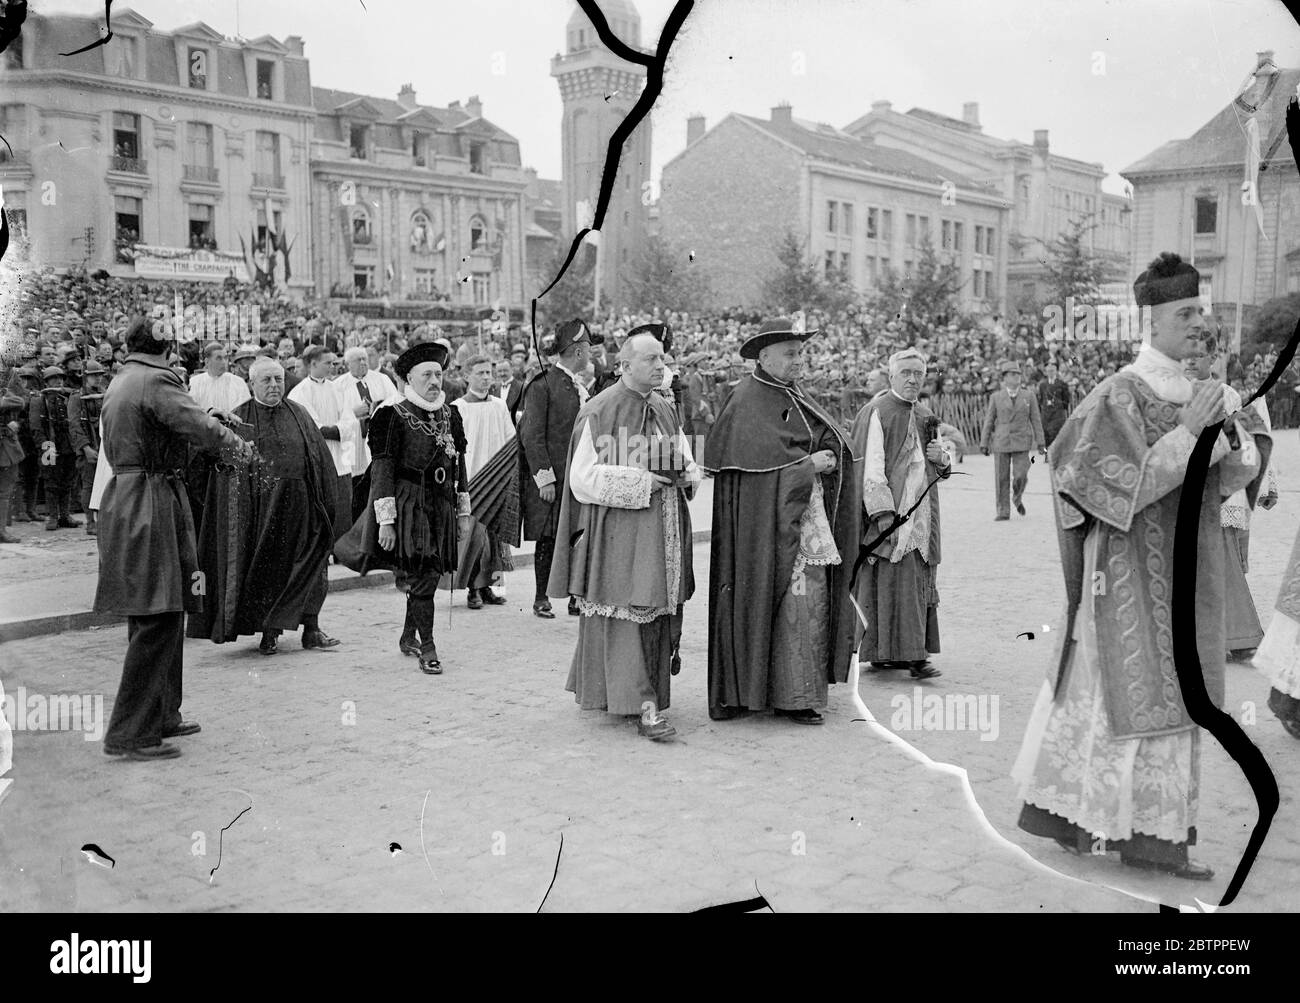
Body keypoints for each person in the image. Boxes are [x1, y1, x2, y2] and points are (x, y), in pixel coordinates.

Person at [1011, 252, 1260, 880]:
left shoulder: (1205, 389)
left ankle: (1156, 835)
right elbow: (1112, 486)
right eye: (1184, 312)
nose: (1197, 322)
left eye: (1201, 310)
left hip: (1190, 567)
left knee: (1182, 696)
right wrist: (1187, 432)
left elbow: (1231, 479)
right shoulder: (1118, 393)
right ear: (1149, 322)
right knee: (1118, 697)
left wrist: (1228, 435)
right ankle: (1090, 822)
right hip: (1124, 574)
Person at [95, 317, 254, 761]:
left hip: (131, 495)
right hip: (152, 498)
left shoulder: (127, 377)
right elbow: (198, 430)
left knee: (155, 610)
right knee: (160, 616)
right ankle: (132, 733)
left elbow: (167, 423)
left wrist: (208, 416)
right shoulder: (157, 378)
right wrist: (236, 445)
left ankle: (162, 714)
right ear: (165, 347)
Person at [702, 315, 862, 723]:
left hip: (801, 518)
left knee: (807, 605)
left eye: (801, 353)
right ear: (766, 356)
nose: (798, 361)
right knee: (792, 605)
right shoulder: (747, 400)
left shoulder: (792, 392)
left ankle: (798, 694)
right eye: (791, 354)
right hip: (764, 532)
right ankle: (778, 693)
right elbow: (756, 476)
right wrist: (808, 467)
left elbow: (816, 438)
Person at [548, 330, 700, 740]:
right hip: (620, 532)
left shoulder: (665, 407)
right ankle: (641, 704)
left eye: (662, 359)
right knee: (628, 613)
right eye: (650, 360)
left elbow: (684, 454)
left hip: (663, 527)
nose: (659, 367)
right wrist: (641, 481)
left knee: (654, 612)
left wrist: (689, 473)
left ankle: (630, 695)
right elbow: (581, 480)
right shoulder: (599, 410)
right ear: (624, 365)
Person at [188, 357, 341, 655]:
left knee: (312, 568)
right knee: (271, 572)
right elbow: (213, 460)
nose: (274, 386)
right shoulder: (238, 418)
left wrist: (326, 503)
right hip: (263, 511)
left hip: (303, 506)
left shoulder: (299, 413)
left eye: (279, 379)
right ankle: (269, 632)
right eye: (267, 380)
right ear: (251, 383)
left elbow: (321, 459)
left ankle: (311, 629)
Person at [344, 342, 473, 675]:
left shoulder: (451, 414)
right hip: (409, 505)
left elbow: (460, 465)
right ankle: (427, 647)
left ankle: (407, 636)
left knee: (426, 574)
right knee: (423, 575)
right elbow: (382, 472)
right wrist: (386, 522)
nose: (434, 381)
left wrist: (463, 509)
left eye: (438, 374)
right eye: (426, 375)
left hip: (441, 506)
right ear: (409, 380)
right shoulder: (391, 415)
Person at [850, 348, 952, 681]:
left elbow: (936, 467)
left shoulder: (925, 414)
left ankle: (908, 652)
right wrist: (883, 515)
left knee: (916, 579)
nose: (912, 379)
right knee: (889, 580)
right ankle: (897, 655)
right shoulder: (877, 411)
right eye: (905, 372)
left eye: (918, 373)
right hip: (891, 510)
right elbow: (872, 467)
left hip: (923, 512)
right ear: (892, 376)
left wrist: (942, 461)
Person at [1184, 330, 1276, 660]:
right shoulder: (1170, 393)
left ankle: (1235, 636)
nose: (1192, 361)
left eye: (1199, 355)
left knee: (1222, 563)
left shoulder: (1229, 396)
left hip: (1216, 491)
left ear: (1213, 359)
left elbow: (1248, 441)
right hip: (1179, 491)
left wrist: (1262, 483)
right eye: (1187, 354)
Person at [518, 319, 589, 618]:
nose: (590, 355)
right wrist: (544, 479)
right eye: (587, 349)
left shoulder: (579, 386)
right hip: (554, 480)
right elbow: (531, 435)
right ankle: (540, 597)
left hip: (577, 478)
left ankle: (575, 596)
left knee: (576, 535)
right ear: (576, 351)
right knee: (548, 538)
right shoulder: (543, 384)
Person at [449, 355, 517, 608]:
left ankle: (488, 586)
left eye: (489, 372)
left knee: (493, 539)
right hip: (472, 480)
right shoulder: (458, 407)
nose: (487, 377)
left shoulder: (499, 406)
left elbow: (510, 440)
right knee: (474, 539)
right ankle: (472, 588)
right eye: (480, 373)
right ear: (467, 376)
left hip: (496, 479)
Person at [288, 345, 358, 542]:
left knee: (343, 505)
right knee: (321, 507)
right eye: (328, 363)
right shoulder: (300, 392)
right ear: (313, 364)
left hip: (340, 457)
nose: (332, 367)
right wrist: (335, 430)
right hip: (317, 459)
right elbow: (311, 429)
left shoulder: (337, 388)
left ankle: (341, 551)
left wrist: (335, 430)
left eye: (334, 363)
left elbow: (350, 421)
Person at [335, 345, 400, 520]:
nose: (363, 363)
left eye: (365, 359)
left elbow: (395, 401)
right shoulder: (339, 384)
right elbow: (336, 413)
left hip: (377, 436)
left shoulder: (381, 379)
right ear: (348, 364)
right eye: (358, 360)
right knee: (354, 478)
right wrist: (353, 412)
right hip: (351, 440)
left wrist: (377, 407)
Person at [980, 359, 1045, 519]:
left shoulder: (1029, 396)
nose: (1016, 377)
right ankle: (1003, 511)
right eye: (1012, 374)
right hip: (1002, 441)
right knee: (1001, 478)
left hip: (1022, 441)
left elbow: (1036, 420)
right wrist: (984, 442)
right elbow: (989, 420)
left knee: (1021, 475)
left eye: (1018, 374)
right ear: (1004, 378)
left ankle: (1017, 497)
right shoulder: (996, 397)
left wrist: (1041, 442)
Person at [31, 365, 80, 531]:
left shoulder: (67, 397)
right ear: (46, 381)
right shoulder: (39, 400)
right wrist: (45, 447)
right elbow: (36, 428)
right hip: (49, 445)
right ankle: (53, 517)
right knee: (51, 482)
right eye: (54, 378)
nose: (58, 380)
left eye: (60, 378)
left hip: (67, 445)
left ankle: (65, 515)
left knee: (67, 480)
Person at [67, 359, 107, 536]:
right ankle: (90, 522)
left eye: (99, 375)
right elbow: (74, 425)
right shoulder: (77, 397)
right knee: (89, 486)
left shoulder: (106, 394)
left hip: (104, 446)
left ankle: (104, 520)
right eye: (93, 376)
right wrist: (85, 448)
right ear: (86, 377)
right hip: (88, 447)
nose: (97, 379)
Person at [188, 341, 252, 413]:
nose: (224, 362)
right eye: (219, 358)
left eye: (225, 358)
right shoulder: (195, 383)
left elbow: (245, 412)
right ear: (207, 362)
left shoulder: (238, 383)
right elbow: (191, 411)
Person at [0, 390, 26, 543]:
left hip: (7, 452)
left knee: (3, 494)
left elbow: (20, 402)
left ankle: (1, 530)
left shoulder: (4, 390)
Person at [1036, 360, 1072, 449]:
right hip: (1046, 414)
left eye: (1052, 371)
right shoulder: (1043, 385)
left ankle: (1056, 455)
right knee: (1046, 434)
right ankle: (1047, 455)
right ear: (1046, 372)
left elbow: (1066, 400)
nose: (1050, 373)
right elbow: (1041, 400)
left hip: (1057, 414)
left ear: (1056, 371)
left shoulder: (1062, 384)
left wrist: (1059, 408)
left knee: (1056, 434)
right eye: (1048, 371)